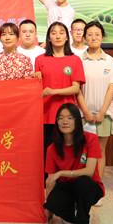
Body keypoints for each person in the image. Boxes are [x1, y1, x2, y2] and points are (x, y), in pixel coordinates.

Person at [44, 103, 104, 224]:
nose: (64, 121)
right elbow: (50, 180)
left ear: (77, 121)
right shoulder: (52, 148)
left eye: (70, 118)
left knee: (83, 182)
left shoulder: (90, 139)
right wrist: (49, 207)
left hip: (89, 186)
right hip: (67, 187)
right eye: (60, 118)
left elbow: (89, 171)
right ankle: (77, 212)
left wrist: (61, 173)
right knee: (53, 203)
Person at [76, 21, 113, 203]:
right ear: (85, 37)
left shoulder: (111, 62)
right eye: (90, 34)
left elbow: (111, 89)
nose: (93, 37)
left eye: (97, 34)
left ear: (102, 37)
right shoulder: (78, 60)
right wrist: (85, 111)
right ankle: (81, 190)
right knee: (81, 152)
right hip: (82, 115)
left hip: (104, 115)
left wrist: (101, 112)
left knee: (99, 153)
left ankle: (96, 191)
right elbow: (77, 89)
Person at [35, 22, 85, 156]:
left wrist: (53, 91)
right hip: (46, 114)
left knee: (68, 153)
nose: (58, 36)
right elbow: (36, 87)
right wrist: (35, 78)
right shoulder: (40, 60)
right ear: (48, 38)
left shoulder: (75, 60)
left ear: (67, 37)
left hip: (68, 114)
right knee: (47, 152)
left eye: (61, 33)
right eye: (53, 33)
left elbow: (76, 88)